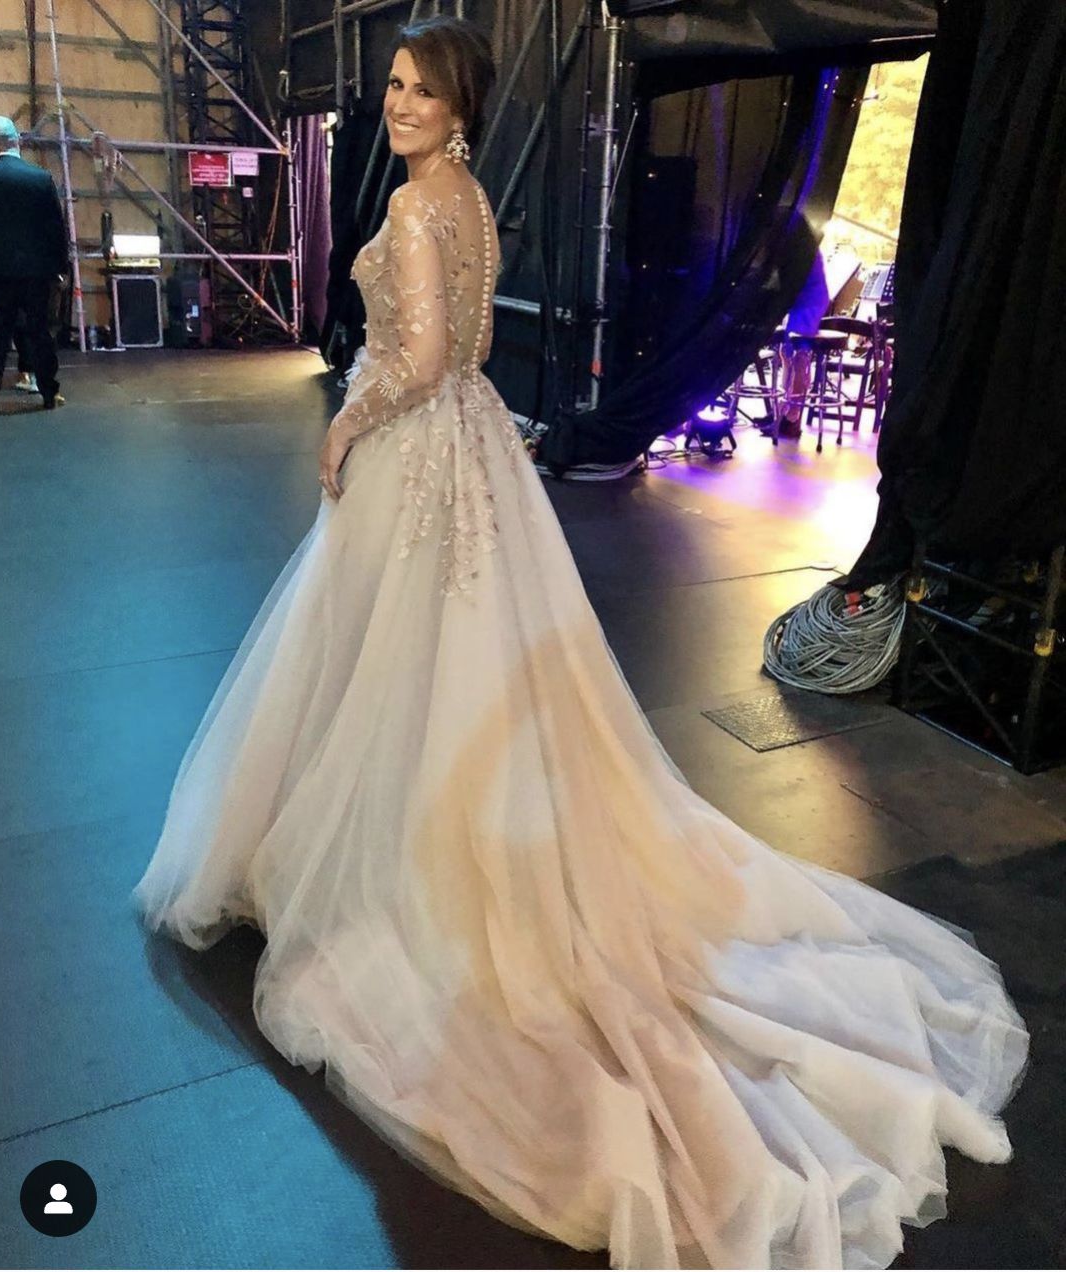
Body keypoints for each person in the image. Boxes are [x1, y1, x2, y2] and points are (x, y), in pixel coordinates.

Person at [132, 18, 1029, 1269]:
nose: (399, 104)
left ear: (460, 109)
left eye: (422, 91)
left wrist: (345, 425)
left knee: (399, 666)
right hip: (470, 452)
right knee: (442, 667)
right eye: (393, 85)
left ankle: (399, 855)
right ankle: (407, 824)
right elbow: (468, 352)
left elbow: (427, 357)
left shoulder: (422, 207)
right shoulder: (465, 200)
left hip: (417, 451)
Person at [0, 116, 68, 414]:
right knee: (39, 330)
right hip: (37, 272)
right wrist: (60, 268)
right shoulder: (40, 179)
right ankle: (48, 392)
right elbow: (56, 229)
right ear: (18, 140)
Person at [775, 248, 831, 440]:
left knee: (800, 356)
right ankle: (783, 411)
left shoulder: (799, 239)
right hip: (804, 298)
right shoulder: (797, 236)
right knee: (786, 353)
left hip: (810, 300)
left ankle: (792, 418)